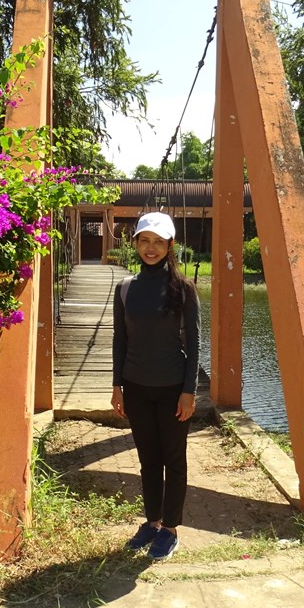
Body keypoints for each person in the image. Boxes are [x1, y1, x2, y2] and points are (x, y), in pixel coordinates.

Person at [111, 211, 200, 560]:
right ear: (135, 243)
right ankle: (152, 522)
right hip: (136, 387)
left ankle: (171, 529)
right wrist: (117, 386)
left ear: (169, 246)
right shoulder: (126, 288)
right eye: (144, 241)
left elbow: (194, 344)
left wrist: (189, 392)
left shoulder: (183, 289)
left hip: (172, 388)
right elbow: (121, 340)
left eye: (158, 242)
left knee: (173, 459)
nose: (151, 248)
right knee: (148, 460)